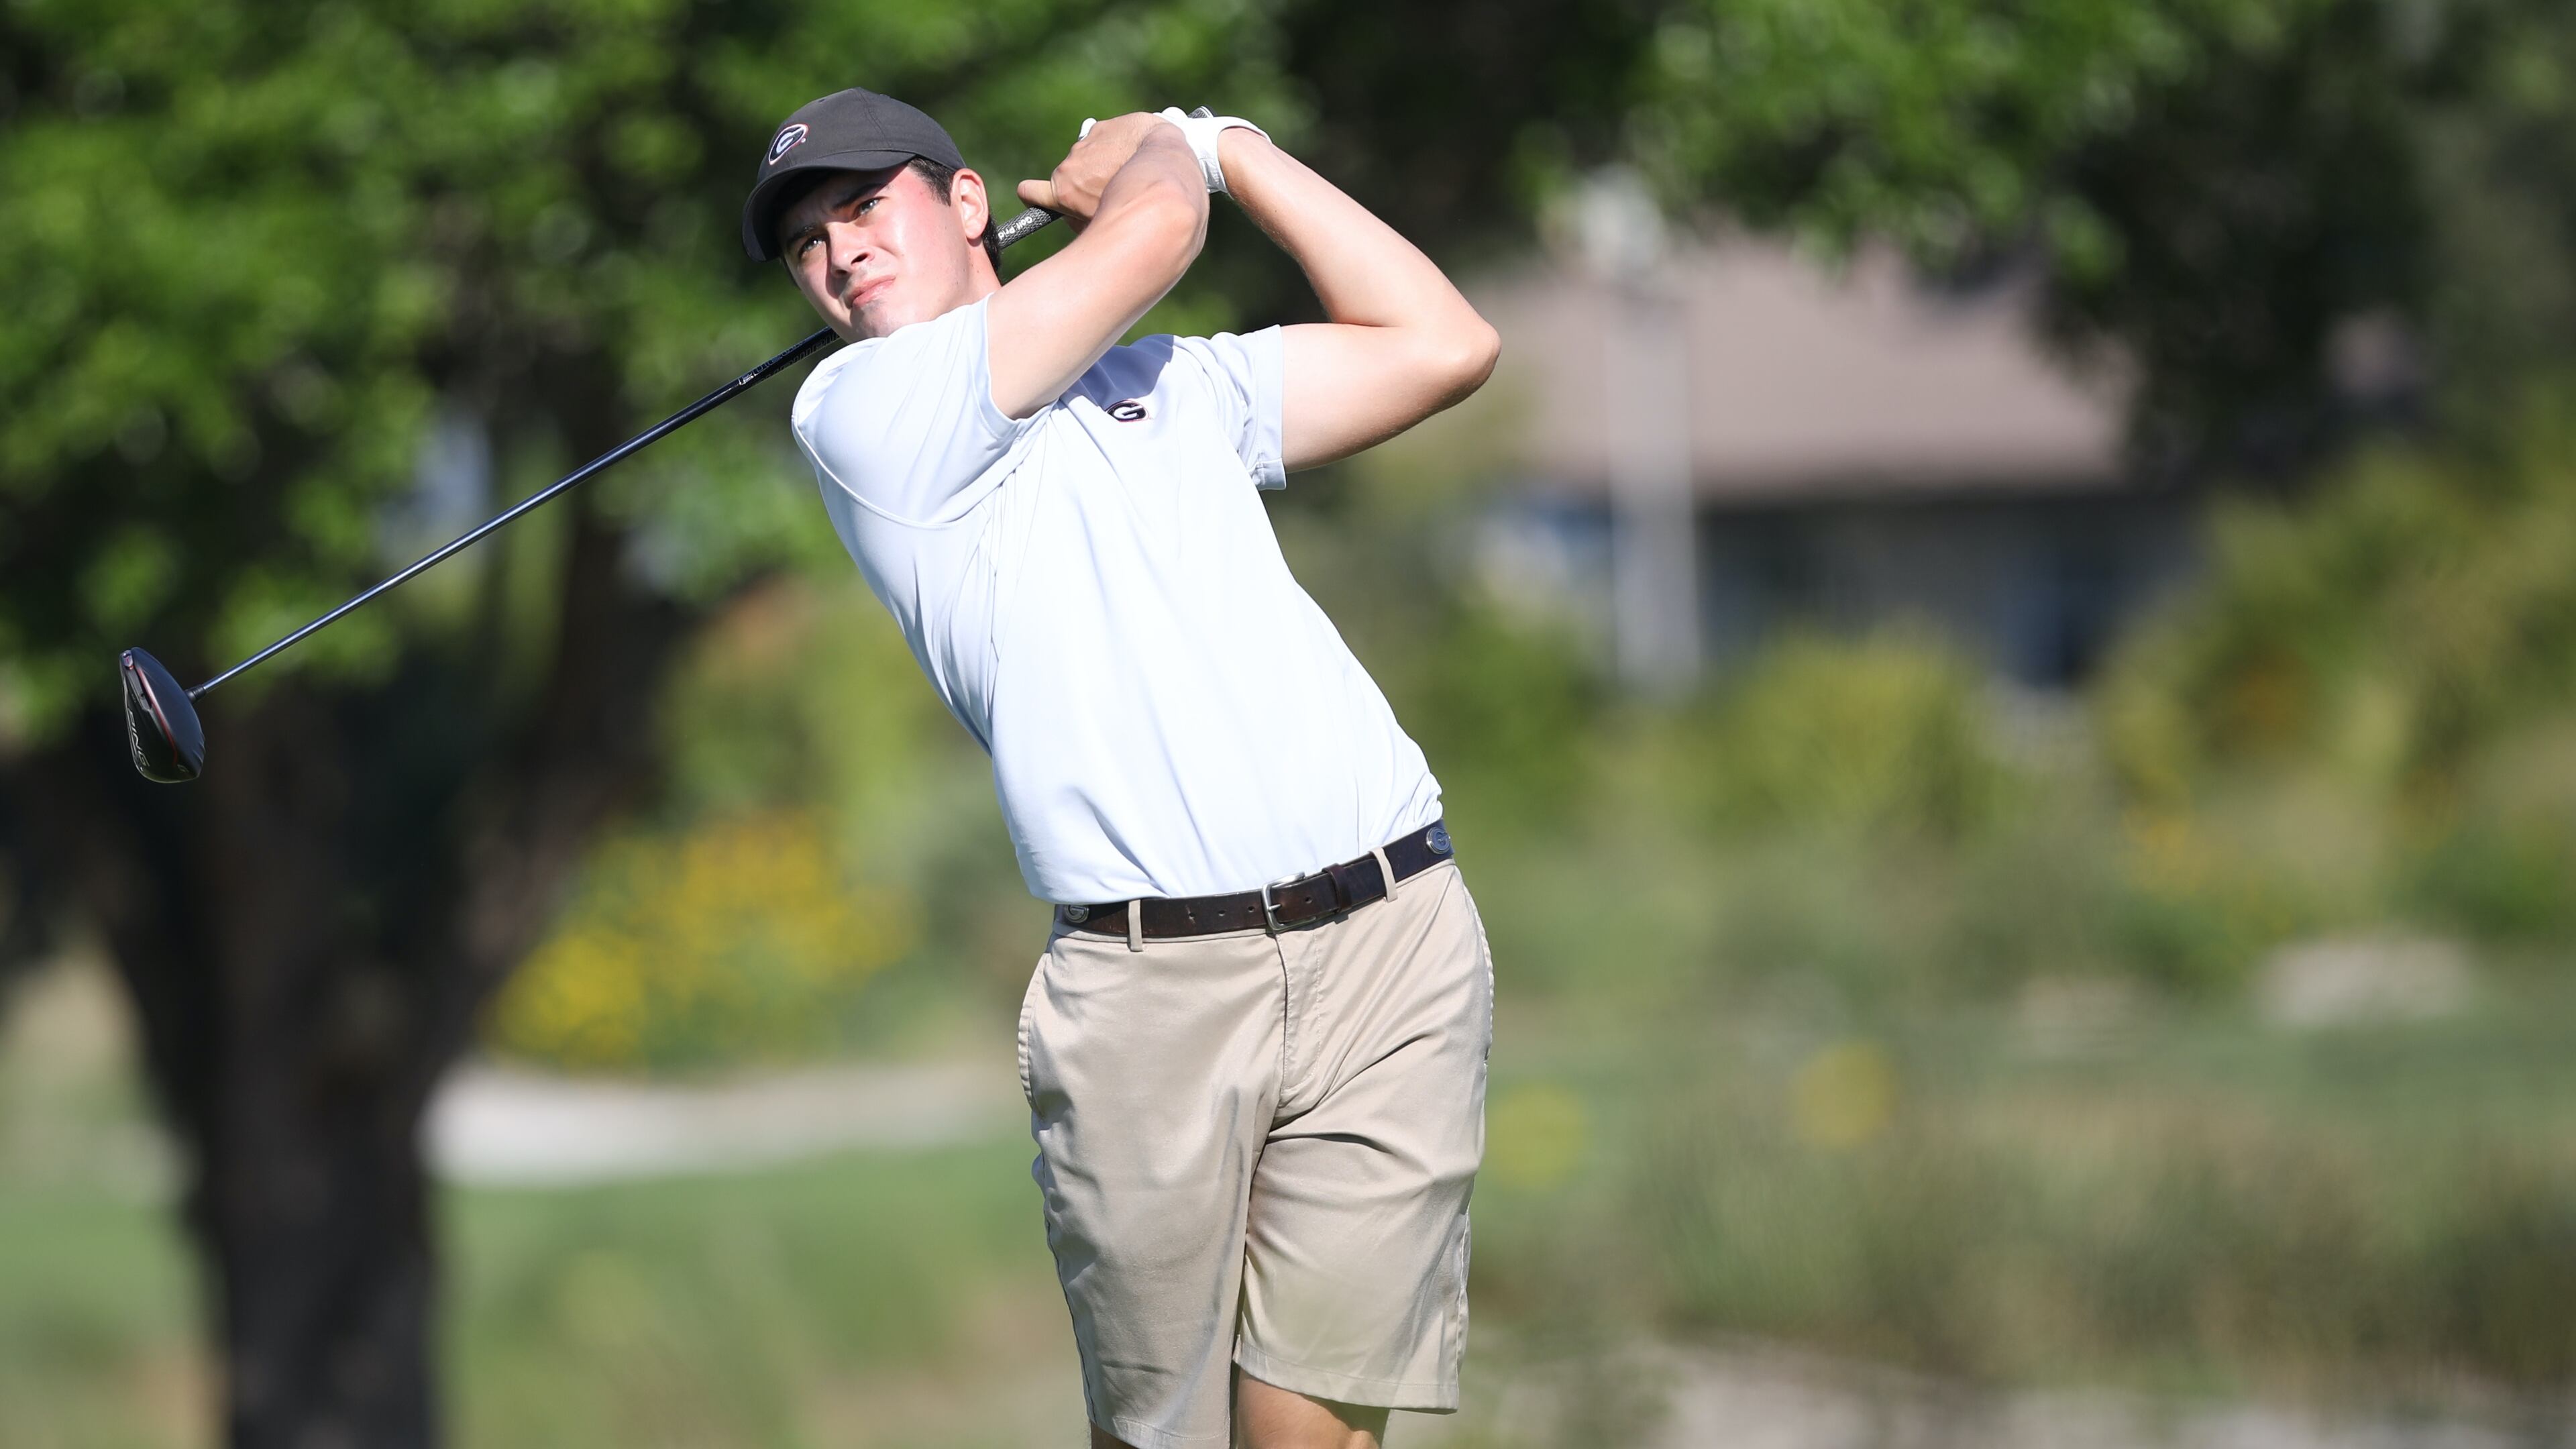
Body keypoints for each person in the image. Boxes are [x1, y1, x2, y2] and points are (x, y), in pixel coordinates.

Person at [739, 87, 1501, 1449]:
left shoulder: (1168, 383)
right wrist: (1168, 151)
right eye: (808, 243)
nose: (839, 251)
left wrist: (1237, 153)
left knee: (1314, 1433)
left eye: (865, 208)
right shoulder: (862, 413)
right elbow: (1153, 234)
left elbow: (1444, 343)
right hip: (1154, 993)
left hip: (1395, 937)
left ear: (968, 202)